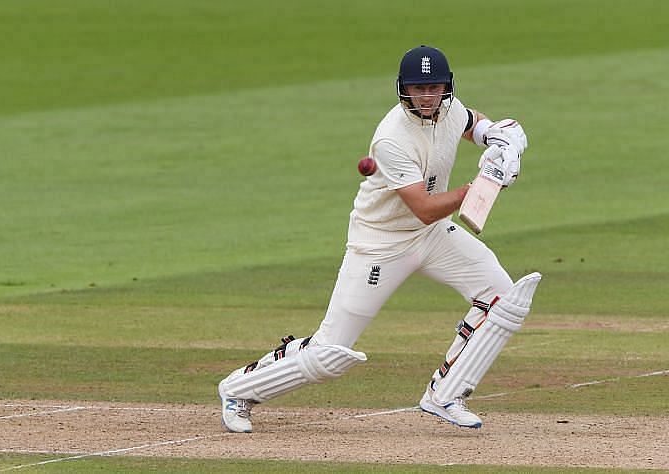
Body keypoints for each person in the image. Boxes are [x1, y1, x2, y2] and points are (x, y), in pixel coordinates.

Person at [218, 45, 541, 433]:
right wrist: (482, 184)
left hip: (431, 236)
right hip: (381, 244)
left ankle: (445, 395)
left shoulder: (449, 109)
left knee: (502, 299)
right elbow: (424, 206)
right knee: (329, 354)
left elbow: (471, 122)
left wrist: (496, 137)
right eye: (418, 89)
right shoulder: (391, 138)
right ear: (403, 89)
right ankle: (239, 389)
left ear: (446, 87)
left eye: (434, 87)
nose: (426, 96)